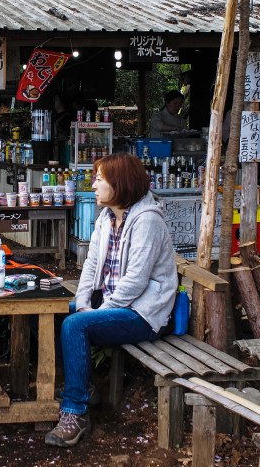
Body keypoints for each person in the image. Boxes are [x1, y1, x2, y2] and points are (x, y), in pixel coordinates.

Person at [45, 152, 177, 447]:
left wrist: (97, 312)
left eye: (99, 179)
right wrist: (82, 303)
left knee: (76, 326)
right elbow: (90, 266)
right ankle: (83, 387)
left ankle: (75, 413)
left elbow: (136, 280)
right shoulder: (106, 218)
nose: (93, 185)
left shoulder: (148, 220)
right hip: (114, 305)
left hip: (144, 314)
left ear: (120, 184)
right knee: (51, 311)